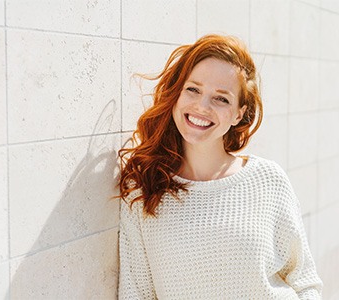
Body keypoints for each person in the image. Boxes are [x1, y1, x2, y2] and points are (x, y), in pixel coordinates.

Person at [117, 34, 323, 299]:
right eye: (193, 89)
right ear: (177, 94)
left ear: (239, 113)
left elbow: (305, 281)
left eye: (221, 99)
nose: (202, 107)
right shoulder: (144, 188)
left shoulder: (268, 180)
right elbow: (137, 293)